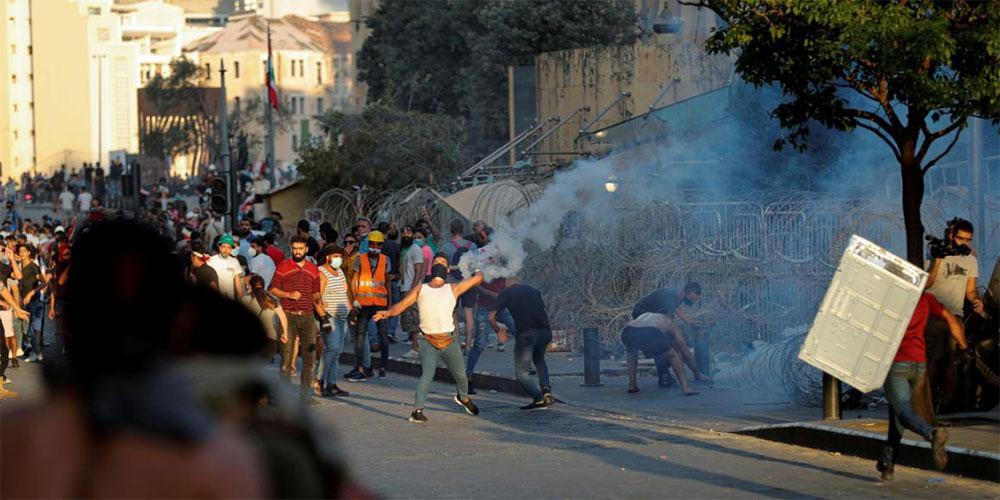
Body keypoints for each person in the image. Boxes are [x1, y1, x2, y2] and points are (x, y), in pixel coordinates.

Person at [374, 254, 482, 423]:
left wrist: (477, 266)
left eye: (442, 263)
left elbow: (478, 278)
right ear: (431, 268)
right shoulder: (421, 288)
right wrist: (388, 313)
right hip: (427, 341)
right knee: (427, 374)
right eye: (436, 262)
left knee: (461, 376)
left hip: (449, 341)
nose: (439, 265)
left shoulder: (453, 288)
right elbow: (402, 305)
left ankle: (463, 398)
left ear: (447, 269)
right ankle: (417, 411)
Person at [876, 292, 968, 480]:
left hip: (896, 362)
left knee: (903, 411)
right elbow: (951, 319)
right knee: (897, 413)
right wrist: (963, 346)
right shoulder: (926, 298)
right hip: (919, 363)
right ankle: (888, 463)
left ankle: (932, 433)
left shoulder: (892, 294)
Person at [924, 218, 983, 412]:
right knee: (933, 360)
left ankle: (947, 402)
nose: (964, 243)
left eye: (968, 239)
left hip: (955, 313)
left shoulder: (971, 260)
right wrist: (938, 261)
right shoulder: (934, 255)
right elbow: (927, 284)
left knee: (954, 359)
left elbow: (970, 290)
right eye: (960, 238)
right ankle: (930, 403)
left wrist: (976, 300)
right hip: (933, 314)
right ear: (951, 235)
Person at [488, 276, 556, 410]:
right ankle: (546, 390)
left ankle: (538, 399)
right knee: (539, 360)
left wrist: (499, 331)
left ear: (507, 282)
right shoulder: (533, 290)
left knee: (522, 374)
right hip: (545, 331)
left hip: (526, 334)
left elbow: (491, 317)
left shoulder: (507, 292)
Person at [268, 235, 322, 399]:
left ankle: (305, 396)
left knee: (310, 359)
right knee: (286, 359)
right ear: (291, 249)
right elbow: (272, 289)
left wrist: (319, 299)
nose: (297, 251)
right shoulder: (283, 266)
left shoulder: (313, 269)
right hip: (288, 317)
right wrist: (289, 294)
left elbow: (316, 292)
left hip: (308, 317)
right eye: (295, 248)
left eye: (300, 248)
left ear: (306, 249)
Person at [632, 282, 713, 385]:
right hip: (641, 315)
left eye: (695, 300)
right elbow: (668, 321)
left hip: (651, 315)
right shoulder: (668, 297)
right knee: (666, 343)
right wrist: (677, 340)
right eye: (692, 299)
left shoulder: (676, 295)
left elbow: (676, 308)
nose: (693, 302)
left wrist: (688, 320)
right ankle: (665, 376)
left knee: (672, 344)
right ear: (685, 293)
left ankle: (668, 375)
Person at [347, 230, 391, 381]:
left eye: (378, 245)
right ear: (369, 244)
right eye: (373, 244)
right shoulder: (360, 259)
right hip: (363, 304)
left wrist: (390, 305)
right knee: (360, 336)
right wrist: (354, 300)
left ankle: (383, 368)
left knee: (383, 336)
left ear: (382, 246)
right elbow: (354, 280)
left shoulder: (386, 260)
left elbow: (388, 282)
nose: (375, 247)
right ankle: (361, 368)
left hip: (380, 304)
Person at [622, 312, 698, 395]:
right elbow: (682, 345)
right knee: (673, 355)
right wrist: (697, 373)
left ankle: (632, 385)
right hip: (649, 331)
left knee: (632, 352)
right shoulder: (670, 322)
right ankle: (686, 388)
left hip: (628, 331)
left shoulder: (647, 315)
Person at [316, 245, 352, 397]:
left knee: (337, 352)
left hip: (342, 317)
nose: (338, 259)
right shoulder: (321, 272)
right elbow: (316, 297)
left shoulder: (339, 272)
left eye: (340, 256)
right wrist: (323, 317)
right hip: (330, 316)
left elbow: (344, 292)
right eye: (335, 256)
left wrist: (351, 309)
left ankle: (332, 384)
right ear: (327, 257)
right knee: (332, 348)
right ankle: (319, 380)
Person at [243, 274, 287, 362]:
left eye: (248, 285)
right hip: (271, 342)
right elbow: (283, 317)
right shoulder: (273, 301)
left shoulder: (246, 300)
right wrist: (285, 333)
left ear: (250, 286)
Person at [399, 226, 425, 359]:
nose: (405, 234)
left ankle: (416, 348)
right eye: (403, 232)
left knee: (414, 319)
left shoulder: (416, 249)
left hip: (411, 290)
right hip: (405, 288)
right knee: (408, 320)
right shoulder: (406, 250)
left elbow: (418, 271)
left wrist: (412, 290)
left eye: (408, 232)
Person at [207, 234, 243, 300]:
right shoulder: (211, 261)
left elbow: (237, 282)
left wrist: (240, 296)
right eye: (224, 246)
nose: (226, 249)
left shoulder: (235, 262)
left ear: (231, 249)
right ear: (219, 247)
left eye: (229, 247)